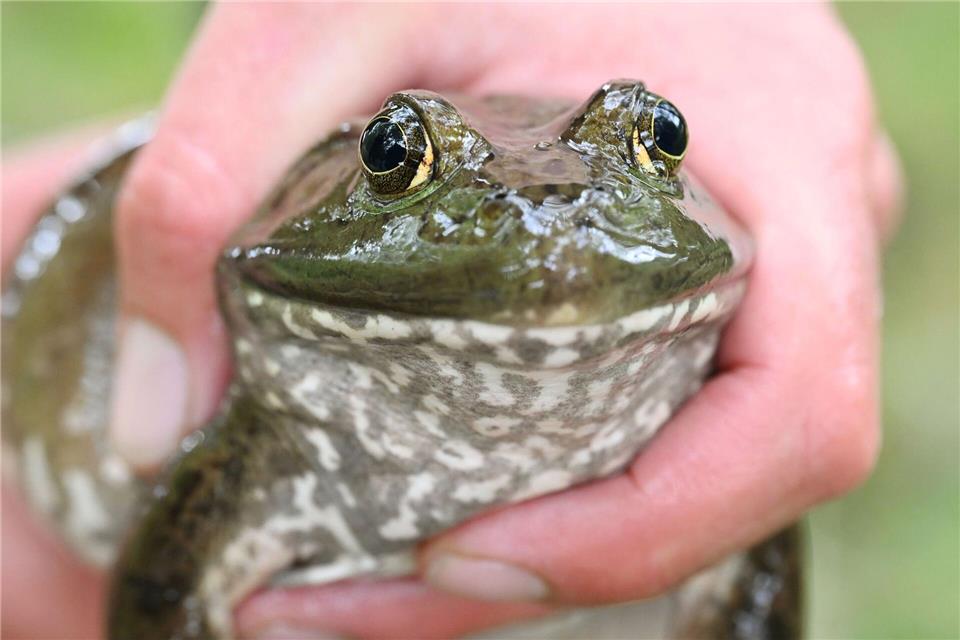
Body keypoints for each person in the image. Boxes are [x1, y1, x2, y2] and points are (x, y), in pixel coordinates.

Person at [1, 4, 902, 638]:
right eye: (399, 155)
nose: (550, 240)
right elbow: (161, 592)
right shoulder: (256, 442)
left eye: (654, 141)